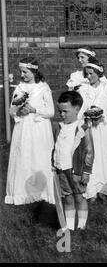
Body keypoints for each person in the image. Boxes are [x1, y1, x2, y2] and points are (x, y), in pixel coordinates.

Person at [5, 57, 55, 205]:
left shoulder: (43, 87)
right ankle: (22, 193)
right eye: (21, 72)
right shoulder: (19, 88)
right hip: (23, 128)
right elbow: (11, 110)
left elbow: (51, 111)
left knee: (38, 156)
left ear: (34, 71)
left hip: (38, 127)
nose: (22, 75)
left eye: (25, 72)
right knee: (24, 156)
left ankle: (42, 191)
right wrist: (18, 111)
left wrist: (34, 109)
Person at [78, 57, 107, 200]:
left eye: (92, 74)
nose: (89, 77)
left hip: (103, 127)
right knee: (92, 156)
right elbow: (80, 108)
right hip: (89, 127)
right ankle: (92, 189)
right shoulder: (84, 89)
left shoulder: (106, 88)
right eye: (87, 74)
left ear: (98, 73)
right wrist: (87, 118)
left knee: (104, 156)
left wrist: (103, 118)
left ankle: (104, 188)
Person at [52, 91, 94, 230]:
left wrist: (86, 171)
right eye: (60, 111)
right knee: (68, 197)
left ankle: (81, 227)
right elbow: (55, 146)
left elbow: (89, 151)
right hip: (61, 168)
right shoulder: (59, 127)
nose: (62, 114)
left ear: (77, 109)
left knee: (79, 197)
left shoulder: (82, 127)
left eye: (65, 111)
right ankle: (69, 227)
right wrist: (53, 163)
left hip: (76, 170)